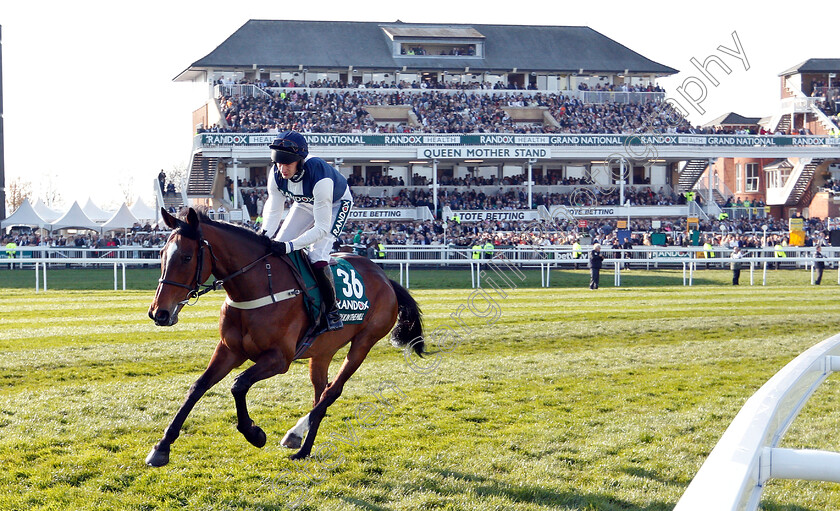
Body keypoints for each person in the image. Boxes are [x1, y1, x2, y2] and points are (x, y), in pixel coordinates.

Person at [260, 130, 353, 331]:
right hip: (305, 203)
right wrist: (264, 237)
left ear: (300, 161)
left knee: (316, 255)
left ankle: (332, 311)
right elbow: (274, 212)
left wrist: (289, 246)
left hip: (336, 203)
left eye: (288, 164)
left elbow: (320, 229)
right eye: (279, 163)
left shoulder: (320, 177)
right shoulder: (276, 174)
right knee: (275, 246)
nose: (282, 169)